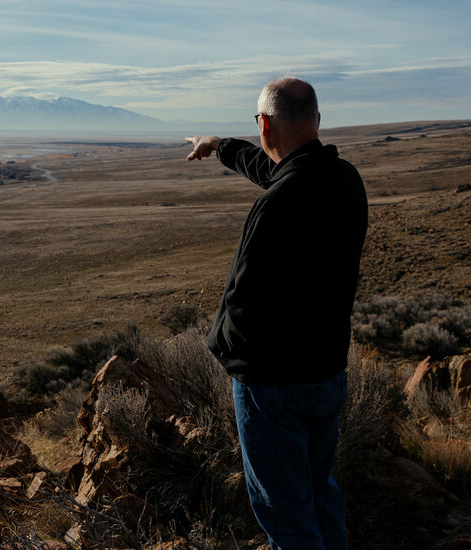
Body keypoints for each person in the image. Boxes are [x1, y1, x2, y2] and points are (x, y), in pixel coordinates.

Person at [185, 78, 367, 550]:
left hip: (273, 387)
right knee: (319, 493)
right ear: (318, 121)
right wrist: (222, 146)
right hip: (326, 373)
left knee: (286, 517)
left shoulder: (276, 204)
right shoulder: (344, 179)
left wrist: (225, 351)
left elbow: (241, 299)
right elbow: (282, 172)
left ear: (264, 124)